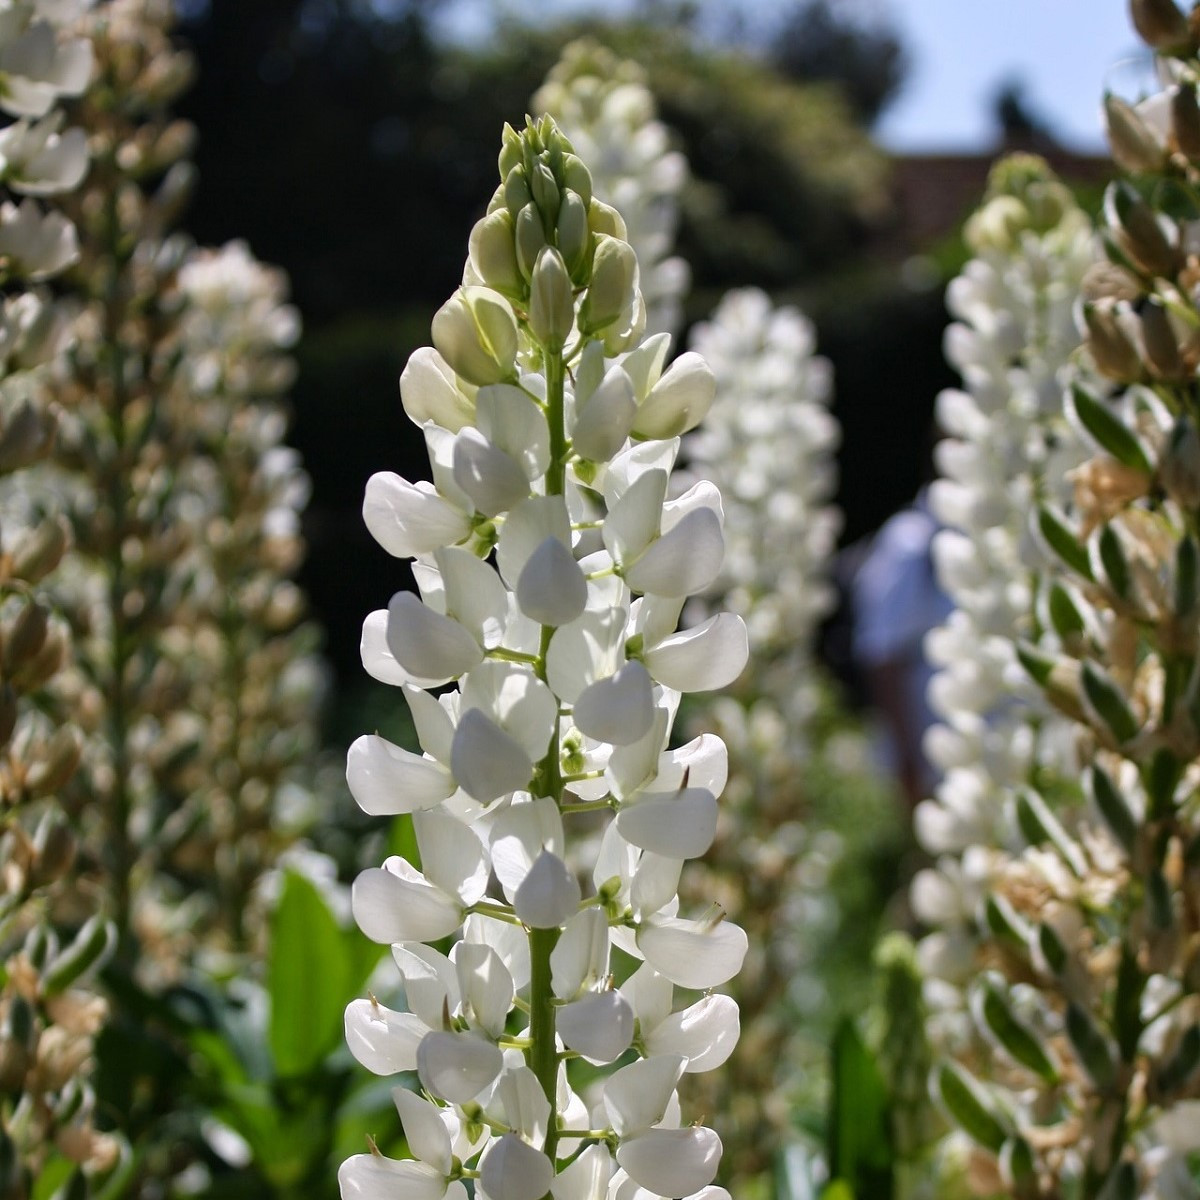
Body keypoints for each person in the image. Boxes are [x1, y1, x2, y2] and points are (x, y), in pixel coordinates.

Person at [851, 486, 953, 808]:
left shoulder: (978, 534)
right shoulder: (909, 540)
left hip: (982, 750)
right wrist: (905, 756)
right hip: (930, 754)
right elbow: (882, 656)